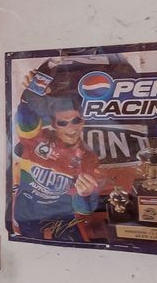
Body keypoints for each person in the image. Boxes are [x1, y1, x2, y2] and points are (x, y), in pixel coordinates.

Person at [12, 95, 106, 240]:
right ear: (54, 124)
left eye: (76, 121)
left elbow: (84, 210)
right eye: (63, 123)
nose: (71, 128)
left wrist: (85, 195)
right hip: (27, 217)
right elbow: (27, 124)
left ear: (83, 121)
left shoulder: (88, 158)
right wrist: (27, 99)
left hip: (64, 222)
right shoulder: (38, 140)